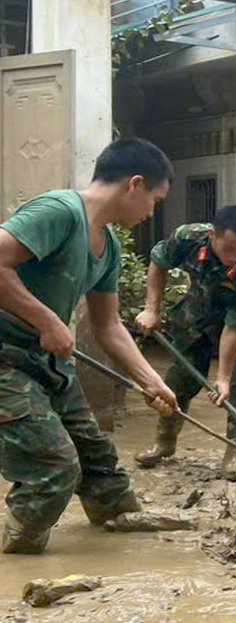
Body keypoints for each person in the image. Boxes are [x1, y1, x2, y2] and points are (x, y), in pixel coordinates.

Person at [0, 138, 179, 554]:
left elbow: (108, 325)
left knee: (98, 458)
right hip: (5, 359)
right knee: (55, 467)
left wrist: (151, 381)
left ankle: (119, 519)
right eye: (155, 199)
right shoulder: (60, 212)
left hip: (47, 362)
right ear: (135, 184)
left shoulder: (110, 246)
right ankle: (18, 557)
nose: (152, 212)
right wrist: (46, 319)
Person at [134, 205, 236, 481]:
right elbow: (159, 262)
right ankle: (165, 442)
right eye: (230, 249)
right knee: (179, 380)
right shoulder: (188, 238)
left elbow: (233, 328)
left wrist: (224, 378)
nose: (235, 258)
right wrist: (152, 309)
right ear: (212, 235)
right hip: (197, 315)